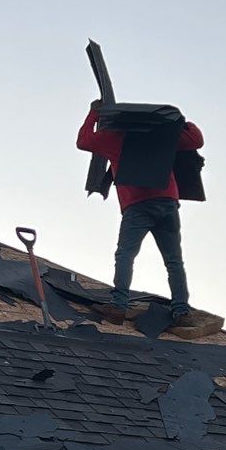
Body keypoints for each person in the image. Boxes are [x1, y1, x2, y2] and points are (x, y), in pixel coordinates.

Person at [77, 100, 204, 328]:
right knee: (174, 261)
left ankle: (118, 307)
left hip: (137, 206)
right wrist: (179, 120)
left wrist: (93, 114)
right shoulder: (160, 135)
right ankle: (182, 311)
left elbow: (83, 141)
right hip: (167, 203)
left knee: (125, 254)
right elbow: (196, 139)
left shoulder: (114, 139)